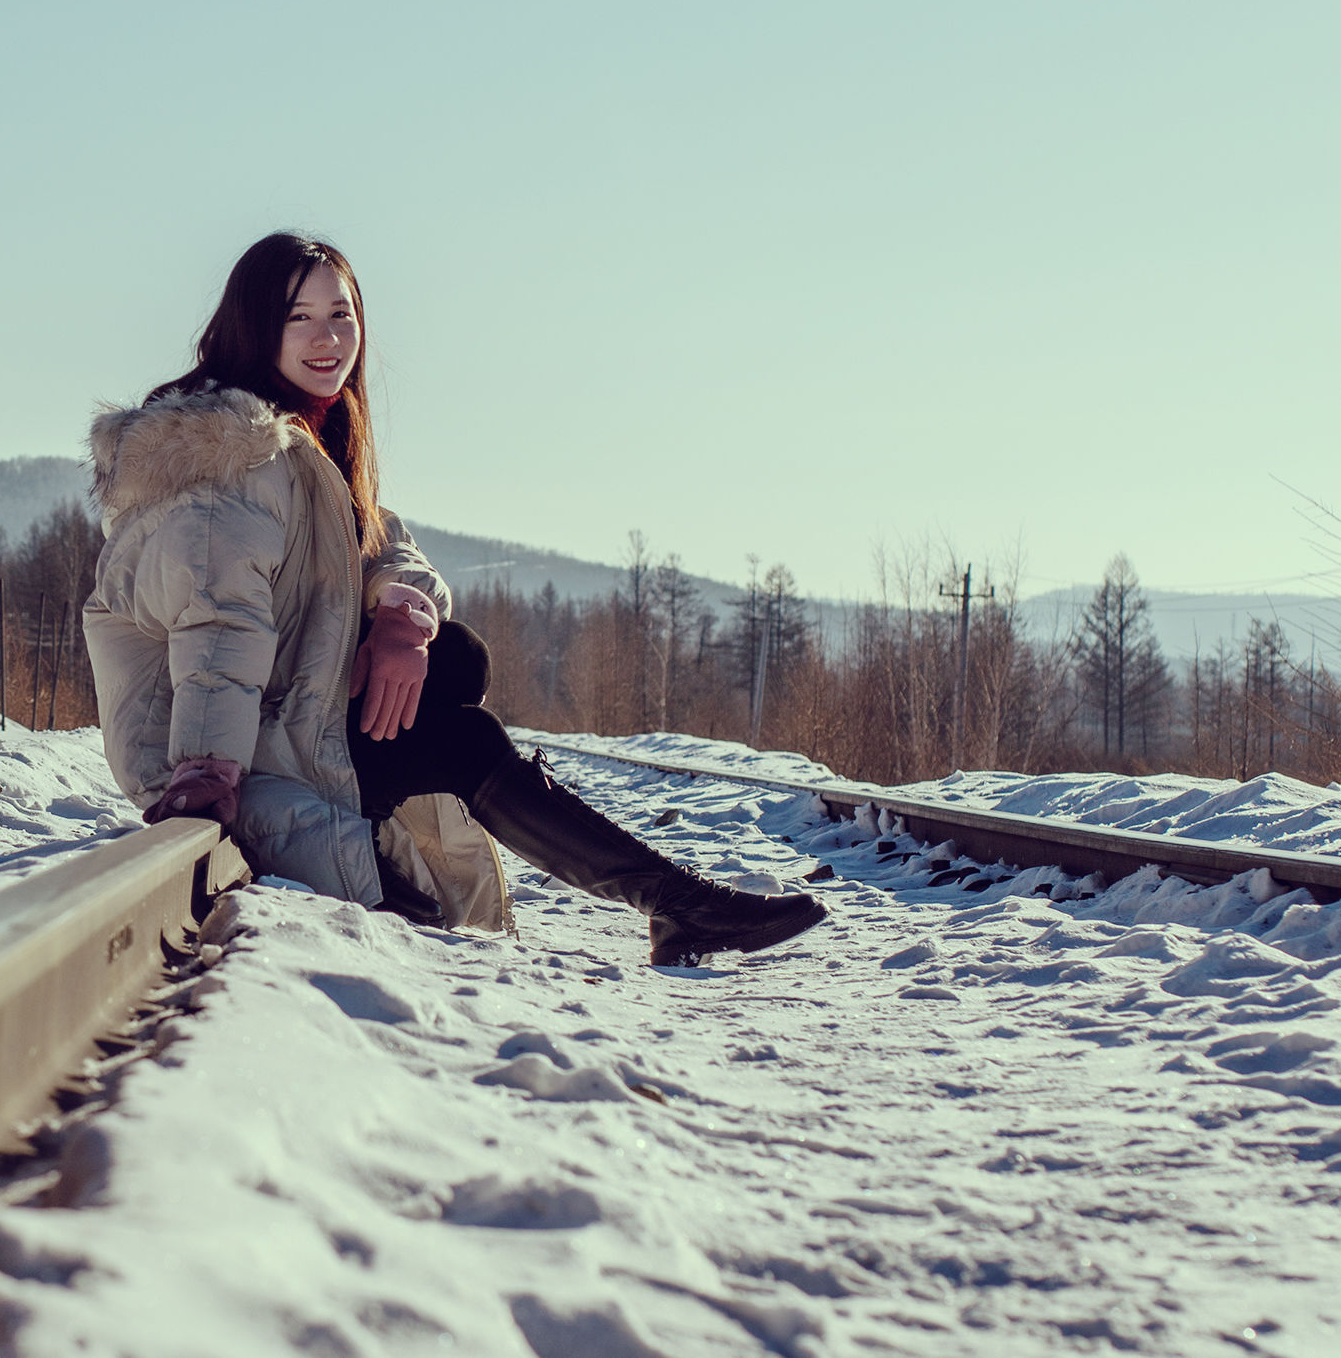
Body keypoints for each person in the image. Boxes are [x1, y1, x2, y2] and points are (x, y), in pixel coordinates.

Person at [80, 232, 826, 965]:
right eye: (297, 317)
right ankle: (676, 904)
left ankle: (674, 904)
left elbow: (382, 544)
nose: (326, 338)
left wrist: (400, 614)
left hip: (276, 718)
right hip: (211, 749)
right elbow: (219, 623)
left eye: (340, 315)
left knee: (452, 659)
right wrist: (207, 770)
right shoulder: (232, 459)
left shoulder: (308, 442)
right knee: (461, 737)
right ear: (253, 326)